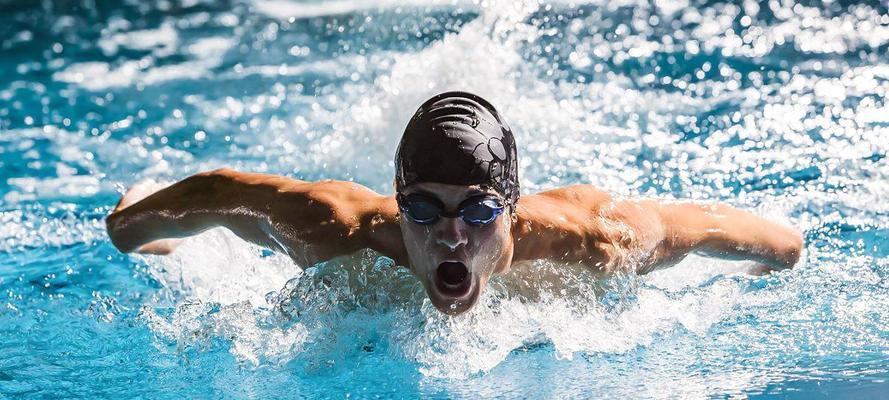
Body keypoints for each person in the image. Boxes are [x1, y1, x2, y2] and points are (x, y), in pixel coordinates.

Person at [106, 91, 804, 315]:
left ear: (510, 207)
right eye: (422, 211)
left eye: (475, 212)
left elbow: (776, 242)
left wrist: (757, 278)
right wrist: (133, 226)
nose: (447, 238)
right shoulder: (333, 228)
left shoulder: (595, 237)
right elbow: (219, 193)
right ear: (397, 201)